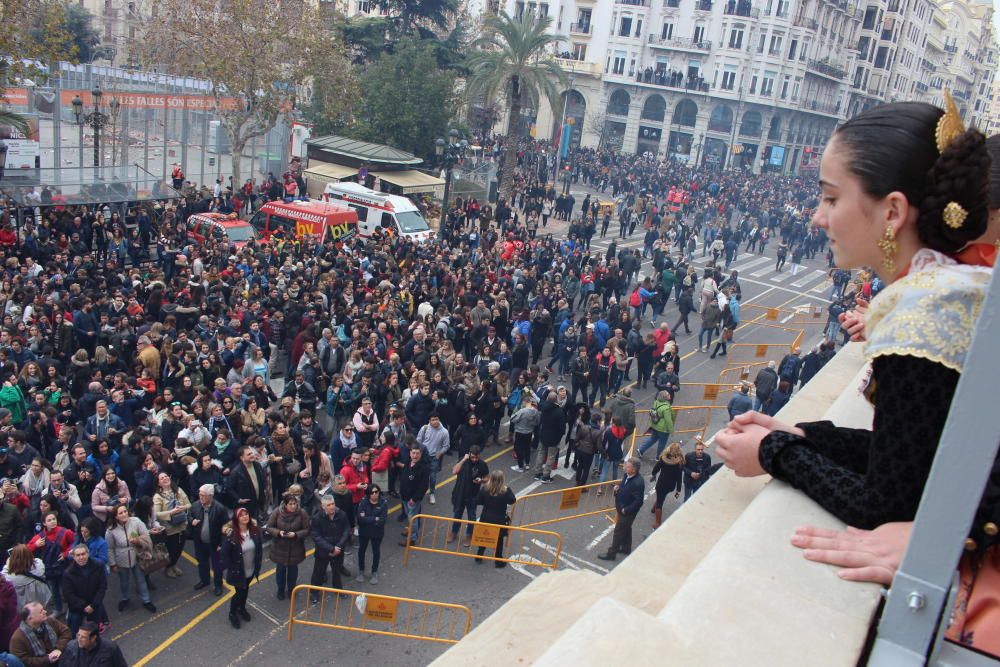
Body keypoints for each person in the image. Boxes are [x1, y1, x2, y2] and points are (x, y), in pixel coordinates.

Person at [716, 99, 993, 530]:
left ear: (893, 212)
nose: (817, 217)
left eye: (831, 197)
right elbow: (903, 452)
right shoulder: (950, 290)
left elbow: (882, 504)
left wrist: (773, 452)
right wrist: (803, 436)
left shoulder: (923, 320)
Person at [105, 504, 156, 614]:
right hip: (121, 559)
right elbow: (109, 548)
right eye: (120, 513)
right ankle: (125, 598)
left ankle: (146, 600)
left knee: (140, 579)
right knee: (124, 581)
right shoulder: (110, 530)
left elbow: (146, 534)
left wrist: (137, 541)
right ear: (115, 517)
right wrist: (113, 564)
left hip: (137, 555)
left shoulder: (136, 521)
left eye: (125, 511)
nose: (124, 514)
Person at [220, 508, 262, 629]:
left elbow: (258, 548)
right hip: (239, 571)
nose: (245, 517)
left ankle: (241, 608)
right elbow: (224, 554)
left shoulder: (254, 531)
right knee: (239, 593)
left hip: (250, 569)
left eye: (246, 514)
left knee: (245, 589)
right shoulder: (232, 535)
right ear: (236, 519)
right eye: (241, 515)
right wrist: (232, 568)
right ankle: (232, 613)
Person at [598, 458, 644, 561]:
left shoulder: (638, 482)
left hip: (627, 511)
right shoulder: (627, 475)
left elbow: (639, 501)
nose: (624, 467)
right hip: (622, 508)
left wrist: (626, 510)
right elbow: (624, 487)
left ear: (634, 470)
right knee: (626, 528)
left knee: (618, 531)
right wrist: (617, 489)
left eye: (627, 466)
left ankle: (611, 553)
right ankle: (626, 548)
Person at [266, 493, 310, 601]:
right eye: (291, 504)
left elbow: (307, 530)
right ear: (285, 505)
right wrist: (279, 532)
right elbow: (269, 527)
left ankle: (291, 590)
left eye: (295, 503)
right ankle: (280, 589)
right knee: (280, 571)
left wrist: (295, 535)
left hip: (295, 548)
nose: (294, 506)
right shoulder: (277, 512)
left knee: (293, 571)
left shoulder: (302, 513)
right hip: (279, 548)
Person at [308, 495, 349, 602]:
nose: (332, 507)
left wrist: (338, 547)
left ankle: (338, 589)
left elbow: (346, 531)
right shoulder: (317, 518)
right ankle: (314, 592)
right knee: (318, 572)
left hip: (338, 550)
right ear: (323, 506)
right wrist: (331, 549)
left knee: (337, 572)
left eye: (333, 504)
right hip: (323, 552)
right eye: (329, 505)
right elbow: (316, 536)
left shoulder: (342, 515)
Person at [188, 484, 227, 596]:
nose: (200, 497)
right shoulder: (195, 505)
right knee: (202, 562)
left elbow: (227, 527)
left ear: (210, 496)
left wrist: (222, 543)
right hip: (199, 542)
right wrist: (192, 521)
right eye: (200, 494)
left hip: (215, 543)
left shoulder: (220, 509)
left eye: (203, 495)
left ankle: (218, 585)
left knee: (217, 566)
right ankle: (204, 581)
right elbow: (189, 515)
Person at [59, 545, 106, 635]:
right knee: (73, 631)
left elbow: (102, 586)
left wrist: (93, 605)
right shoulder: (68, 573)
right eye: (78, 555)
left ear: (88, 554)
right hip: (76, 608)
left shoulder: (98, 566)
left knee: (94, 632)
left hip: (94, 606)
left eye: (83, 554)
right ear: (73, 557)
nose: (81, 557)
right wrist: (84, 606)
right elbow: (68, 594)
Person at [152, 472, 191, 578]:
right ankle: (169, 567)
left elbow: (188, 504)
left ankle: (174, 564)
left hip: (182, 525)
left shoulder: (179, 490)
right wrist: (171, 512)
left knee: (180, 548)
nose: (165, 478)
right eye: (162, 478)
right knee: (172, 550)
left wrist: (183, 508)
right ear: (158, 483)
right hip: (170, 529)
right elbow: (156, 514)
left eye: (166, 476)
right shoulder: (158, 497)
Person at [474, 471, 517, 567]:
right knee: (499, 540)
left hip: (486, 517)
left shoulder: (485, 489)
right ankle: (498, 560)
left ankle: (479, 556)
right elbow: (512, 500)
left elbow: (478, 501)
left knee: (484, 538)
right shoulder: (505, 491)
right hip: (499, 519)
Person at [9, 602, 71, 666]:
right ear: (30, 619)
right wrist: (47, 659)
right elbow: (22, 660)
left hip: (60, 660)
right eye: (41, 612)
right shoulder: (17, 639)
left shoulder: (50, 621)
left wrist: (58, 648)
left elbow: (66, 632)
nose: (45, 611)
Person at [448, 448, 488, 546]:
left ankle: (469, 535)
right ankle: (454, 532)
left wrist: (481, 480)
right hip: (460, 493)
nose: (474, 459)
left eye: (476, 457)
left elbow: (487, 477)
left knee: (472, 517)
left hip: (473, 495)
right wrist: (463, 460)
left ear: (479, 455)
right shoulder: (464, 461)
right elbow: (454, 471)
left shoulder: (482, 464)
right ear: (469, 454)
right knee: (457, 514)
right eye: (472, 457)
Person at [354, 485, 387, 585]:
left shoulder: (383, 503)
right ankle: (361, 570)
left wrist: (368, 518)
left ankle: (374, 572)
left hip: (377, 533)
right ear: (368, 494)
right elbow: (360, 519)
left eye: (376, 491)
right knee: (361, 550)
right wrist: (374, 519)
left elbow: (382, 520)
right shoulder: (363, 502)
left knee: (376, 551)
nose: (375, 494)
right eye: (372, 492)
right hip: (364, 532)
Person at [57, 621, 128, 666]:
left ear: (93, 638)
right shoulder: (71, 648)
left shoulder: (110, 648)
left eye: (83, 637)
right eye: (78, 635)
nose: (79, 639)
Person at [398, 447, 430, 547]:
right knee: (409, 516)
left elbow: (423, 486)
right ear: (410, 453)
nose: (415, 455)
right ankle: (410, 530)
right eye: (413, 453)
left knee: (413, 519)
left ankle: (412, 539)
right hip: (404, 496)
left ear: (420, 455)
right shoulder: (408, 463)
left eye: (417, 453)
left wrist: (414, 499)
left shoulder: (423, 468)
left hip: (412, 499)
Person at [1, 546, 49, 611]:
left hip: (23, 608)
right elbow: (37, 560)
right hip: (41, 601)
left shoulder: (10, 578)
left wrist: (8, 565)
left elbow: (3, 574)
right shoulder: (40, 566)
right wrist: (26, 557)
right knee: (42, 614)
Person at [650, 443, 684, 529]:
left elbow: (656, 469)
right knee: (661, 496)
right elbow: (679, 478)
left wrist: (653, 475)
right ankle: (653, 508)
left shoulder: (663, 459)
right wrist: (678, 490)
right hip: (670, 486)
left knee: (660, 502)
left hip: (661, 484)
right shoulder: (679, 463)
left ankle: (657, 523)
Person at [637, 390, 673, 459]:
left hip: (655, 425)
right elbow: (668, 420)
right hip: (663, 429)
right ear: (665, 397)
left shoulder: (656, 402)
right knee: (662, 443)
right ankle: (658, 457)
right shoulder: (666, 407)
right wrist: (671, 430)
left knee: (652, 439)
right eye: (668, 395)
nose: (669, 395)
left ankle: (641, 450)